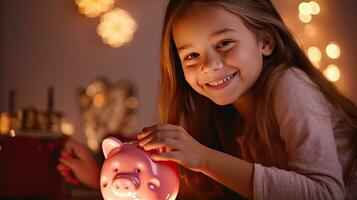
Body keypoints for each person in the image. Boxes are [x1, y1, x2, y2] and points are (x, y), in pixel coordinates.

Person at [59, 0, 357, 199]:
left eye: (224, 43)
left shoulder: (290, 85)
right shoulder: (224, 115)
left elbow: (326, 193)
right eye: (191, 55)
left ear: (265, 41)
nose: (207, 65)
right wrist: (104, 176)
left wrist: (203, 157)